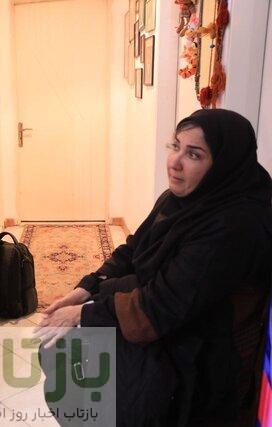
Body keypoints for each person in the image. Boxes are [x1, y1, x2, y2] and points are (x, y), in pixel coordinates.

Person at [35, 109, 272, 426]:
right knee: (62, 353)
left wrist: (82, 314)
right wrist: (85, 288)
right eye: (175, 146)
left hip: (200, 354)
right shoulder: (178, 199)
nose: (175, 162)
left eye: (194, 154)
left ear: (223, 165)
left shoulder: (235, 225)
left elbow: (164, 304)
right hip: (164, 326)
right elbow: (133, 249)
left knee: (89, 378)